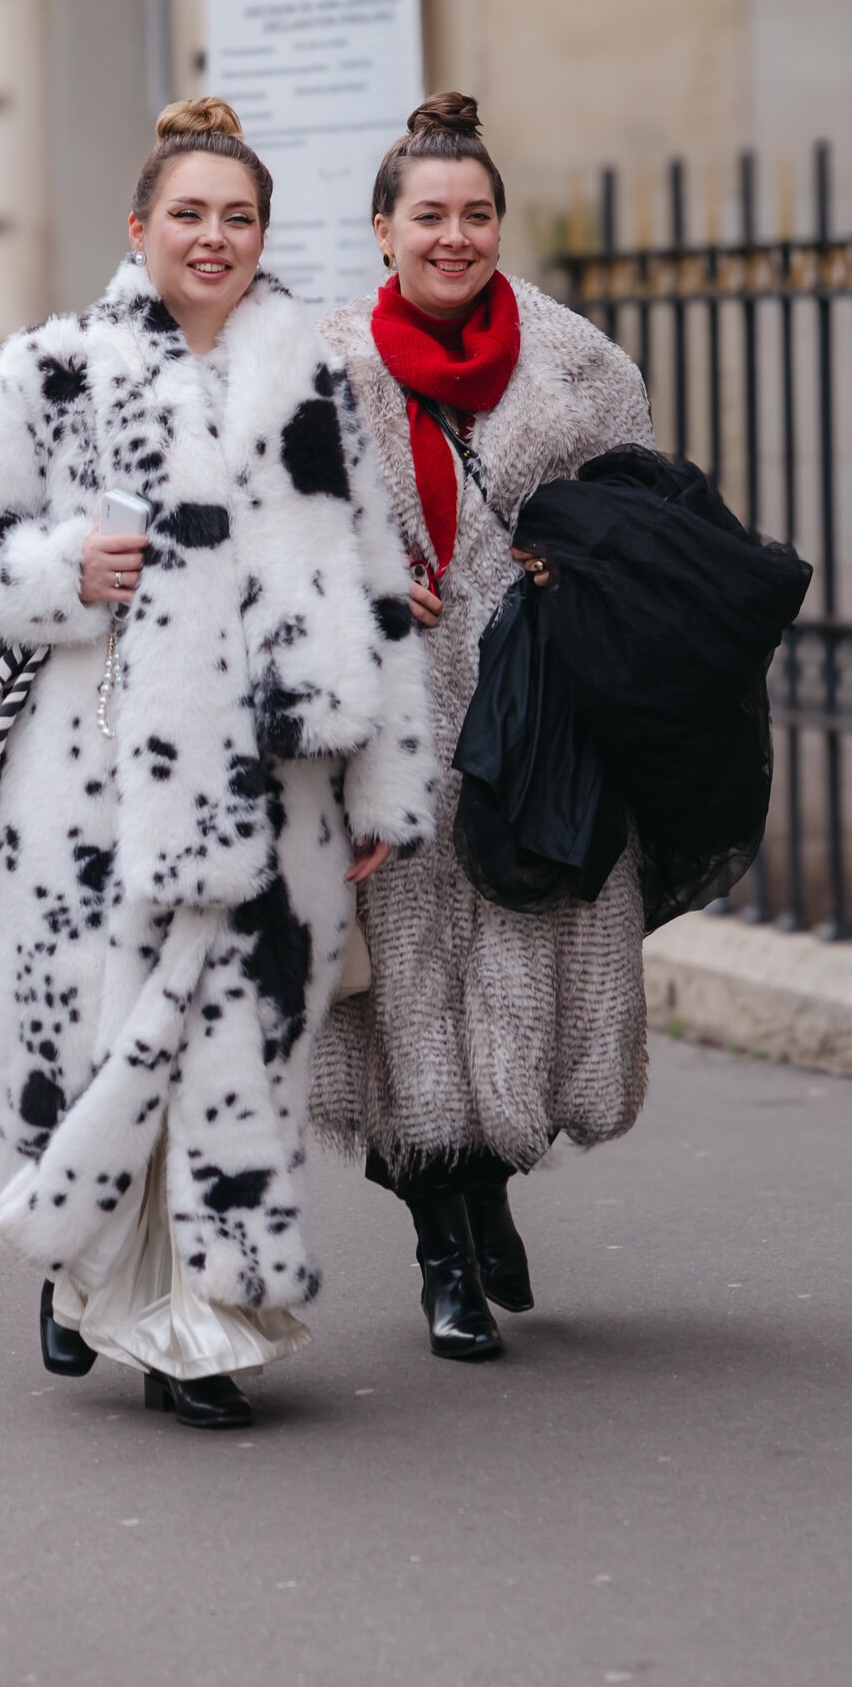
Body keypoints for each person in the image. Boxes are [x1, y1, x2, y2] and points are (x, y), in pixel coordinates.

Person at [0, 98, 434, 1430]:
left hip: (282, 798)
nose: (213, 238)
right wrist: (56, 570)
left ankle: (198, 1331)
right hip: (96, 797)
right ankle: (85, 1266)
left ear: (264, 235)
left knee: (239, 1064)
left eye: (238, 217)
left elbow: (376, 585)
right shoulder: (54, 367)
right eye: (188, 215)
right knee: (106, 1057)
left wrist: (385, 786)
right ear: (137, 227)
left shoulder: (311, 378)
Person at [312, 92, 655, 1362]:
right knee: (403, 982)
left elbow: (646, 519)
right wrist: (350, 582)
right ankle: (439, 1249)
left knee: (517, 954)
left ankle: (490, 1184)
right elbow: (273, 543)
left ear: (497, 223)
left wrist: (585, 566)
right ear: (382, 230)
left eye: (474, 214)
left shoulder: (579, 367)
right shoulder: (322, 367)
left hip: (533, 711)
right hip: (386, 719)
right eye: (428, 215)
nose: (452, 237)